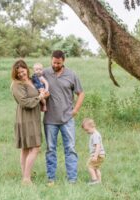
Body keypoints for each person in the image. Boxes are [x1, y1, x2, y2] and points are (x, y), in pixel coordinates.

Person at [43, 50, 85, 185]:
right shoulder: (44, 73)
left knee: (70, 148)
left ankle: (72, 179)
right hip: (50, 119)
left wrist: (75, 110)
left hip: (67, 119)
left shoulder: (71, 75)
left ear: (63, 61)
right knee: (50, 149)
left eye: (58, 63)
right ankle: (51, 178)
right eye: (53, 62)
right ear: (51, 60)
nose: (55, 65)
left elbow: (81, 93)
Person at [11, 59, 46, 185]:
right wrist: (39, 97)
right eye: (18, 72)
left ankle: (25, 176)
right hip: (25, 118)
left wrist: (42, 95)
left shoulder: (32, 80)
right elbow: (25, 102)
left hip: (34, 117)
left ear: (26, 69)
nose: (21, 74)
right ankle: (26, 178)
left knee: (27, 149)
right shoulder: (16, 85)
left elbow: (41, 88)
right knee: (34, 147)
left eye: (23, 71)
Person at [82, 118, 106, 185]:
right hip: (101, 155)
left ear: (92, 126)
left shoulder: (95, 135)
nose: (87, 132)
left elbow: (98, 146)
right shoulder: (95, 134)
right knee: (96, 168)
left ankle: (94, 180)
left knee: (89, 166)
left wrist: (95, 156)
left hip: (98, 155)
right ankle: (99, 181)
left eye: (87, 130)